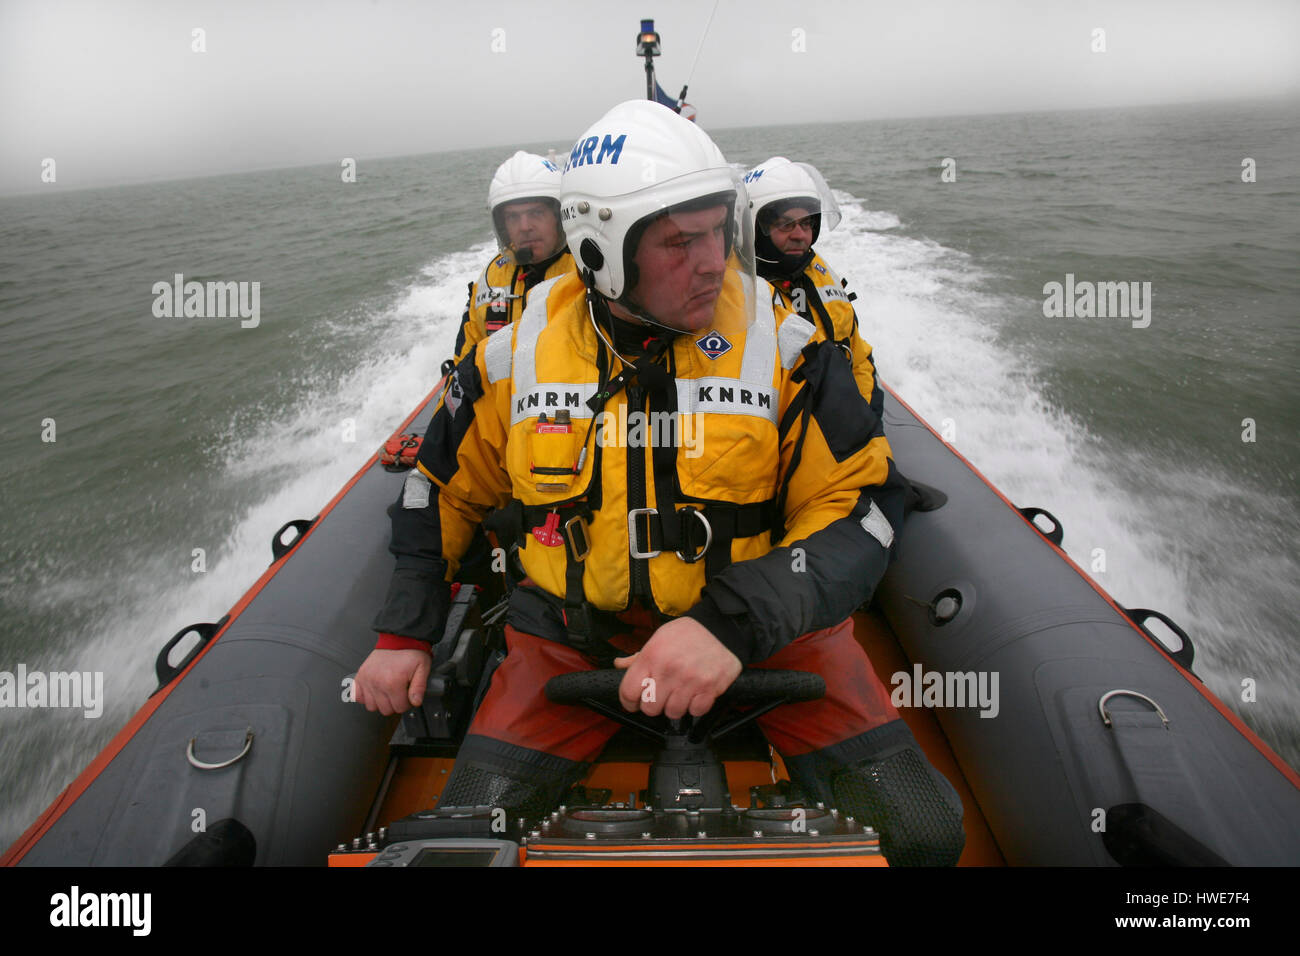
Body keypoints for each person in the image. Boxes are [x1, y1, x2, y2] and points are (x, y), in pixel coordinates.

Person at [356, 101, 965, 866]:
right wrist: (404, 631)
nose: (714, 261)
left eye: (718, 230)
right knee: (463, 843)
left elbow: (865, 505)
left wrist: (732, 625)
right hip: (569, 646)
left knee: (926, 833)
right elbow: (437, 489)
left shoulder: (784, 345)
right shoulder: (515, 356)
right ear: (601, 252)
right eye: (682, 242)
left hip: (778, 635)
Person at [747, 157, 880, 413]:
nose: (800, 235)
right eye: (786, 224)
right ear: (754, 226)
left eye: (806, 223)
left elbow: (858, 355)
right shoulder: (736, 295)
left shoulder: (818, 272)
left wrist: (867, 418)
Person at [452, 150, 574, 363]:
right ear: (503, 225)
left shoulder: (587, 270)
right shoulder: (491, 279)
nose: (525, 227)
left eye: (536, 213)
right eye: (513, 217)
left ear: (557, 216)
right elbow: (465, 358)